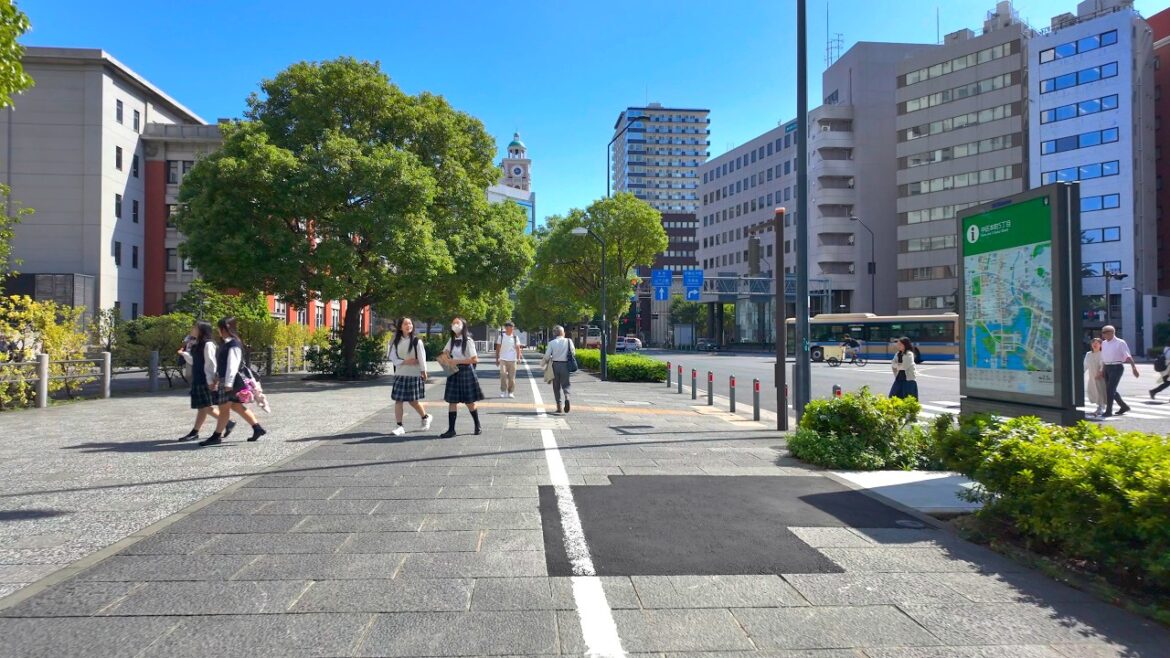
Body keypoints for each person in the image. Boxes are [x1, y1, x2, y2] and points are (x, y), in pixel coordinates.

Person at [200, 317, 267, 446]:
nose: (218, 331)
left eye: (219, 328)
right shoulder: (227, 343)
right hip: (227, 380)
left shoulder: (233, 344)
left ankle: (216, 436)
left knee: (224, 408)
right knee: (236, 406)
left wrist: (228, 384)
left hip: (230, 381)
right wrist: (217, 377)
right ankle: (257, 428)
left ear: (224, 329)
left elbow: (232, 365)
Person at [177, 321, 233, 441]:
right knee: (202, 407)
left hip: (204, 379)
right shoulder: (197, 344)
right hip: (198, 378)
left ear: (202, 330)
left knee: (204, 406)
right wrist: (185, 354)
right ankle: (195, 432)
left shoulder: (208, 344)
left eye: (195, 327)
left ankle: (227, 422)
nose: (192, 329)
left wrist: (211, 381)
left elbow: (211, 364)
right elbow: (195, 362)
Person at [439, 317, 484, 438]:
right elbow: (445, 353)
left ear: (463, 325)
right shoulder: (451, 340)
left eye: (457, 323)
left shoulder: (468, 341)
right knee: (452, 401)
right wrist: (446, 357)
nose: (454, 325)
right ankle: (451, 429)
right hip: (454, 372)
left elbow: (475, 359)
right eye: (453, 323)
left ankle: (477, 425)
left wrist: (456, 360)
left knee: (469, 401)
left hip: (466, 371)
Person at [388, 317, 432, 436]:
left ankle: (425, 417)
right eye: (406, 324)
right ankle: (399, 426)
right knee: (398, 400)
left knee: (413, 401)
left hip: (413, 374)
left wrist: (424, 371)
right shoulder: (395, 340)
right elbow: (391, 356)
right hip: (400, 374)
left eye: (410, 323)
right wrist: (405, 361)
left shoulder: (417, 341)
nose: (409, 326)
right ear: (400, 327)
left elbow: (422, 357)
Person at [1099, 325, 1139, 417]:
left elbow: (1127, 356)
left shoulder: (1120, 342)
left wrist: (1134, 368)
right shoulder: (1104, 343)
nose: (1103, 334)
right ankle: (1124, 406)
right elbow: (1103, 357)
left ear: (1112, 332)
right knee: (1111, 390)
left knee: (1110, 389)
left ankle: (1108, 411)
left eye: (1105, 332)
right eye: (1102, 332)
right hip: (1107, 367)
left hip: (1117, 367)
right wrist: (1102, 370)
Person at [541, 325, 576, 413]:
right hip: (565, 365)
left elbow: (547, 355)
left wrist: (543, 364)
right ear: (563, 333)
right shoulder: (569, 341)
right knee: (566, 384)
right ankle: (567, 397)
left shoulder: (552, 343)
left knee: (556, 387)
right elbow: (573, 352)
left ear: (554, 334)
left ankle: (559, 407)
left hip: (555, 365)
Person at [495, 321, 524, 399]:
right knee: (503, 374)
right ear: (505, 328)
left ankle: (511, 392)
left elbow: (518, 348)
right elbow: (498, 348)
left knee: (512, 377)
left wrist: (518, 358)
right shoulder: (501, 337)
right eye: (509, 327)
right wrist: (497, 359)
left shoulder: (515, 337)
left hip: (512, 360)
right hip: (503, 359)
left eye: (512, 327)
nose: (511, 329)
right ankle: (503, 391)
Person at [1083, 337, 1107, 417]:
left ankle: (1101, 408)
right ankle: (1100, 407)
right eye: (1093, 343)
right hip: (1092, 377)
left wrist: (1100, 373)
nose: (1095, 345)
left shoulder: (1102, 353)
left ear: (1100, 345)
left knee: (1100, 392)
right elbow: (1085, 366)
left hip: (1100, 377)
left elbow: (1102, 364)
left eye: (1097, 343)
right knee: (1093, 392)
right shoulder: (1088, 354)